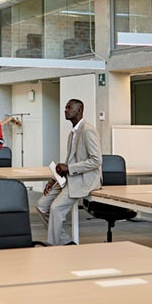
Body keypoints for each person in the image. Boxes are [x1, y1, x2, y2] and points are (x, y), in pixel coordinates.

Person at [36, 98, 102, 246]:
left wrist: (69, 169)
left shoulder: (88, 130)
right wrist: (53, 179)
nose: (65, 110)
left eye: (69, 108)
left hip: (84, 180)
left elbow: (96, 161)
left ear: (79, 110)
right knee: (41, 205)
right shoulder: (72, 133)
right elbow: (69, 160)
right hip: (70, 178)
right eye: (65, 108)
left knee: (56, 208)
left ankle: (52, 246)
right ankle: (65, 242)